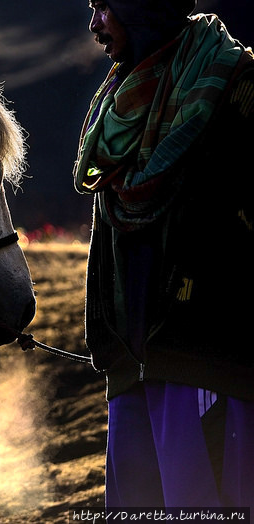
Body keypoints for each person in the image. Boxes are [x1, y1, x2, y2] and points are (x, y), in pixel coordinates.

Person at [74, 0, 254, 511]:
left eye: (105, 6)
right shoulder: (124, 100)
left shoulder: (236, 88)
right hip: (133, 366)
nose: (94, 25)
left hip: (206, 359)